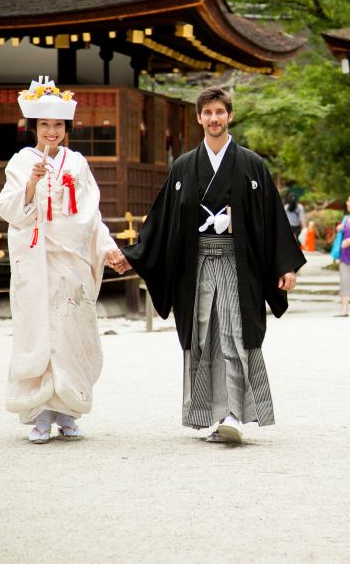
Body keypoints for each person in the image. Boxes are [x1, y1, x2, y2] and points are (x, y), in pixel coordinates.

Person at [118, 86, 305, 444]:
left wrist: (286, 265)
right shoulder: (184, 166)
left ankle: (234, 413)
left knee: (235, 336)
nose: (215, 119)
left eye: (221, 112)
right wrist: (133, 254)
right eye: (208, 113)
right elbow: (163, 221)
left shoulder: (252, 164)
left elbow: (272, 219)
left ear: (229, 116)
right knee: (203, 337)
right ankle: (207, 414)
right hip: (197, 265)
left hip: (239, 266)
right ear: (199, 117)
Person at [0, 76, 126, 444]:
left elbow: (90, 216)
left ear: (66, 128)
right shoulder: (22, 162)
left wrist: (108, 248)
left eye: (57, 125)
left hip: (71, 264)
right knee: (38, 333)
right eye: (44, 125)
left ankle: (68, 412)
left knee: (71, 335)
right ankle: (40, 414)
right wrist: (31, 184)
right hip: (37, 264)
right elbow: (8, 209)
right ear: (33, 127)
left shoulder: (78, 164)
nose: (51, 132)